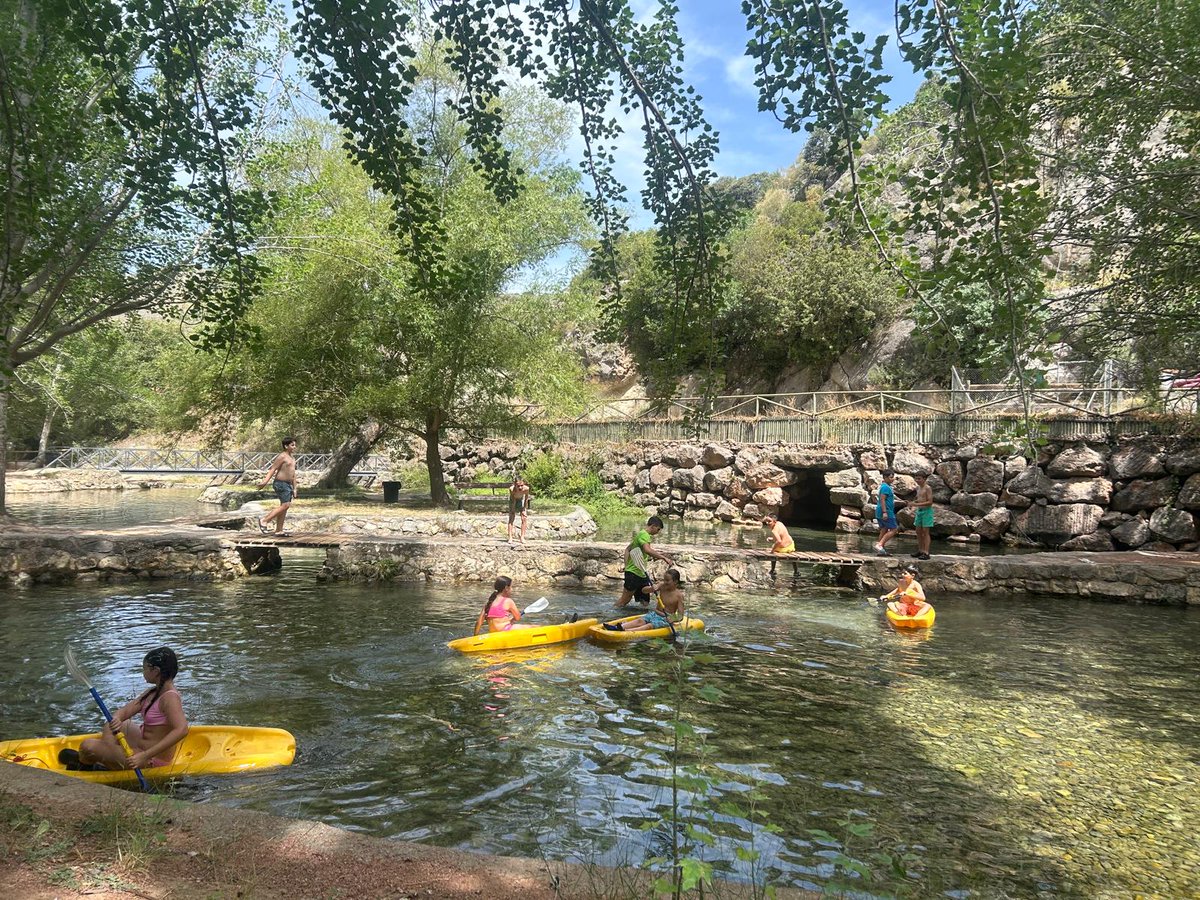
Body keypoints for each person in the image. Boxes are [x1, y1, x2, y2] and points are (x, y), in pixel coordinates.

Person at [62, 647, 188, 772]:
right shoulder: (153, 692)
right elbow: (125, 711)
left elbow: (181, 729)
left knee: (87, 746)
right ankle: (107, 761)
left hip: (150, 758)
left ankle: (93, 761)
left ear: (155, 671)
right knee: (113, 723)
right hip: (142, 745)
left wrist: (145, 755)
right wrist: (117, 718)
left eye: (144, 669)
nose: (143, 672)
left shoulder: (170, 698)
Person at [616, 516, 675, 607]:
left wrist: (626, 565)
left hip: (641, 573)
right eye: (658, 529)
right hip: (633, 573)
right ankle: (609, 615)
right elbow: (647, 550)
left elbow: (628, 549)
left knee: (645, 602)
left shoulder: (640, 534)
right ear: (653, 526)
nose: (658, 532)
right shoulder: (645, 535)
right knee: (624, 600)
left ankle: (639, 617)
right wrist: (664, 558)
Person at [604, 568, 686, 631]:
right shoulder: (662, 586)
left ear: (675, 582)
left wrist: (673, 619)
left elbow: (680, 616)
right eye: (664, 579)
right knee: (640, 621)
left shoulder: (679, 596)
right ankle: (617, 627)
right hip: (655, 614)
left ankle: (626, 631)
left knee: (649, 626)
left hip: (666, 619)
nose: (665, 582)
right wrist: (651, 588)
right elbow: (643, 590)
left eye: (667, 580)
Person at [258, 436, 298, 535]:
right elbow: (273, 469)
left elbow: (293, 474)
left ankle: (279, 530)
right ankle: (264, 520)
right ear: (286, 446)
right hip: (280, 484)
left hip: (288, 485)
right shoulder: (282, 456)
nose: (294, 447)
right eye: (292, 445)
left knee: (285, 506)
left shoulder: (292, 458)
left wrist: (295, 488)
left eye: (295, 445)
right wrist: (264, 482)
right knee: (285, 505)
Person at [874, 469, 899, 556]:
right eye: (891, 477)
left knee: (884, 529)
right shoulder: (885, 487)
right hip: (886, 511)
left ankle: (881, 551)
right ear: (885, 477)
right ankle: (880, 545)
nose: (892, 479)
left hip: (880, 511)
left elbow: (889, 500)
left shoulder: (886, 487)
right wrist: (885, 512)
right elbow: (882, 499)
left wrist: (903, 502)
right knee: (894, 529)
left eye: (893, 477)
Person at [911, 472, 934, 561]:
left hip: (927, 511)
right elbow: (919, 498)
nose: (917, 480)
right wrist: (913, 502)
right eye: (916, 478)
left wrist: (916, 504)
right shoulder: (918, 488)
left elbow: (930, 502)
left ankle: (926, 552)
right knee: (918, 531)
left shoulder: (928, 488)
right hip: (919, 511)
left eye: (919, 479)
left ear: (924, 479)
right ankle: (920, 550)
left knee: (925, 531)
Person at [507, 475, 532, 545]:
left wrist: (524, 508)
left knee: (524, 518)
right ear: (515, 484)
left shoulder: (526, 489)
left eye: (522, 485)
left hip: (521, 500)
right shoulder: (512, 489)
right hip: (513, 500)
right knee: (511, 518)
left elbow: (526, 498)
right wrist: (513, 509)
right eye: (518, 486)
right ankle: (510, 537)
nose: (520, 487)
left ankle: (522, 537)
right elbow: (513, 499)